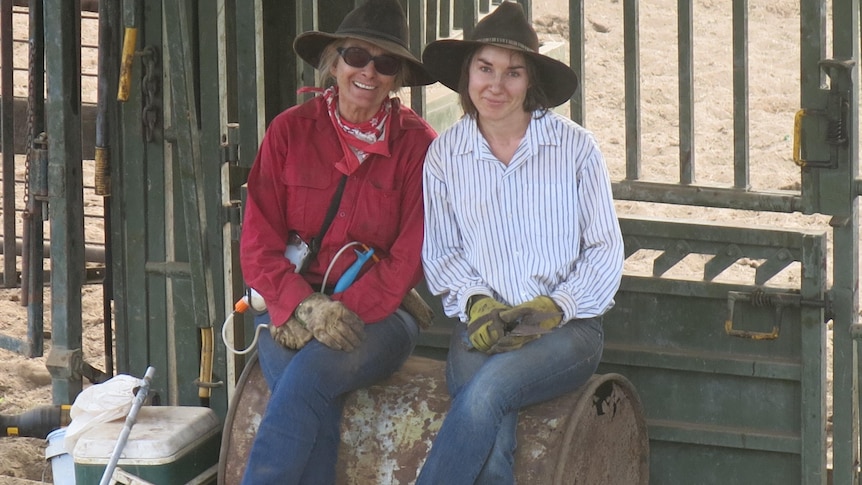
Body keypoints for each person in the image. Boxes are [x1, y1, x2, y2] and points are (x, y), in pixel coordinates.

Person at [417, 2, 624, 484]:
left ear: (531, 80)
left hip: (566, 331)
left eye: (513, 73)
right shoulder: (446, 154)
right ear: (467, 74)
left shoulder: (575, 148)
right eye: (484, 68)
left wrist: (555, 306)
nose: (496, 84)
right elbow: (443, 253)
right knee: (493, 445)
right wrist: (477, 303)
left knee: (486, 395)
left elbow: (603, 250)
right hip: (482, 326)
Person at [237, 0, 436, 483]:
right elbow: (258, 243)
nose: (368, 71)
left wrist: (337, 310)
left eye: (385, 63)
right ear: (333, 61)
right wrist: (304, 307)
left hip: (380, 315)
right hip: (291, 309)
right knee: (306, 393)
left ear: (397, 78)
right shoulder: (289, 130)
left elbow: (408, 259)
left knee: (306, 377)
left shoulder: (419, 146)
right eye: (355, 56)